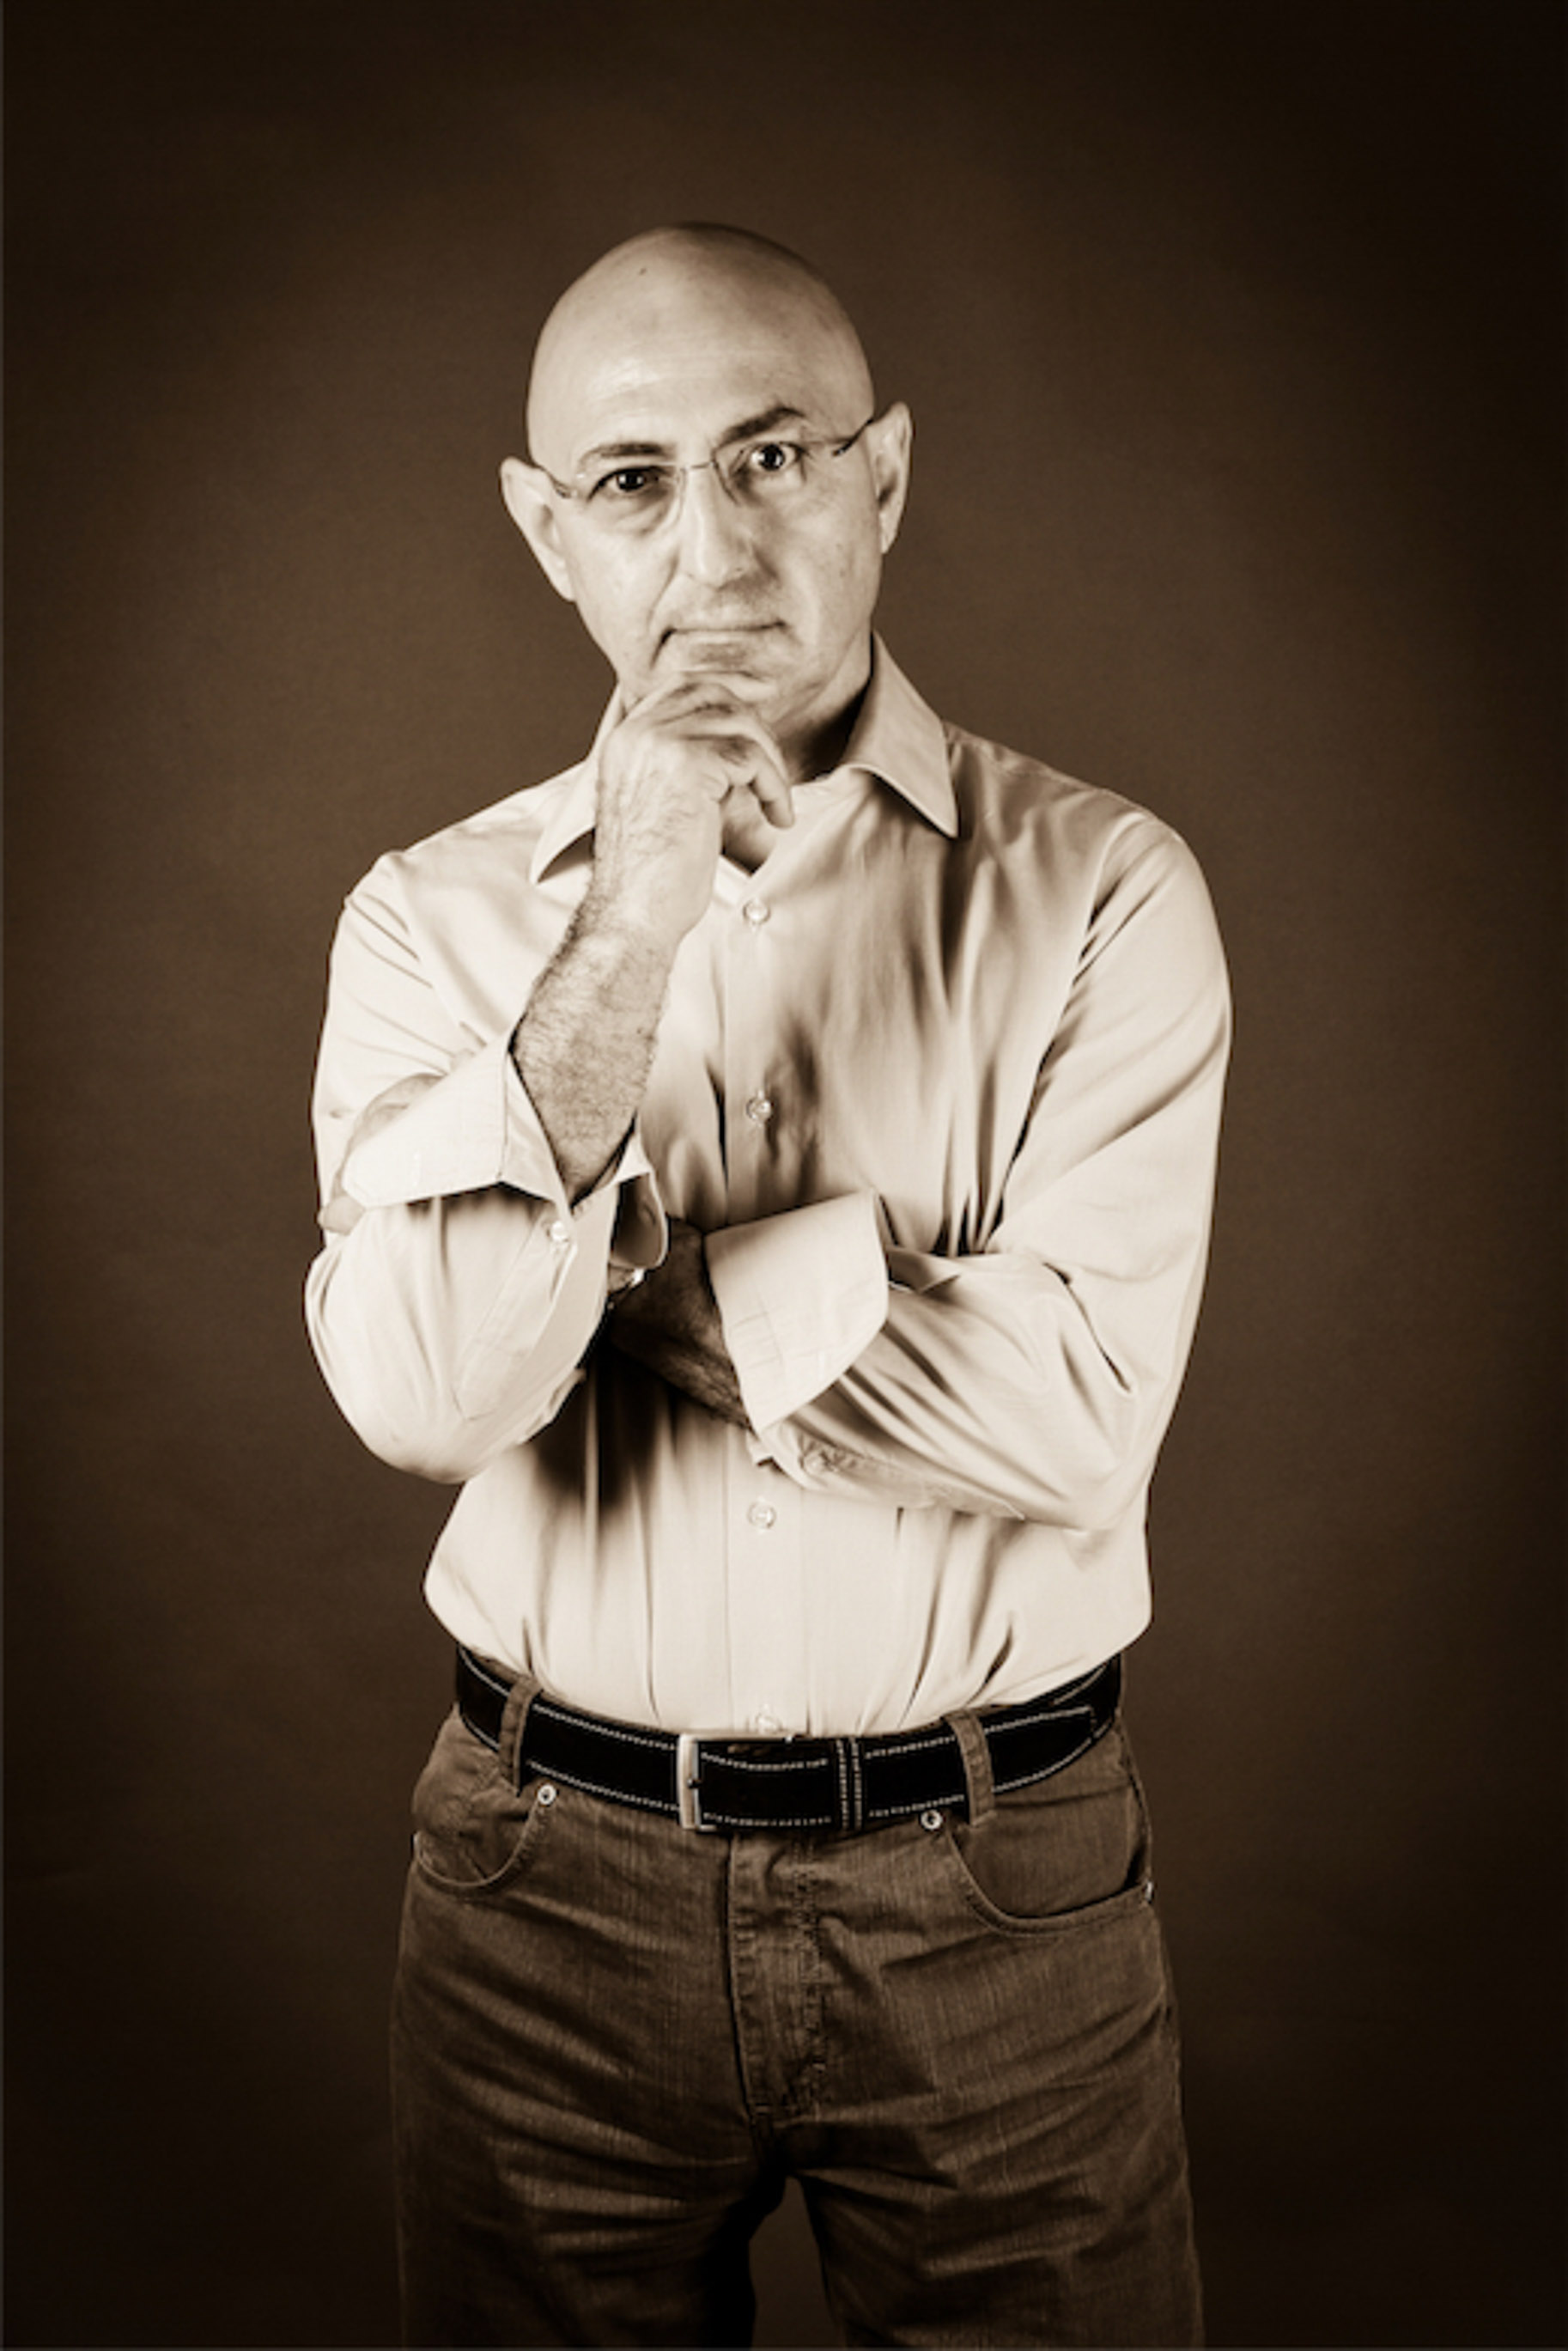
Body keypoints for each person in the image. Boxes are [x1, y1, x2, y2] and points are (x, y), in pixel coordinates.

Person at [307, 222, 1230, 2349]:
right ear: (548, 535)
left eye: (774, 455)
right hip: (538, 1893)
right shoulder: (425, 920)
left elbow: (1076, 1410)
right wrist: (632, 913)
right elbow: (432, 1396)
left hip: (997, 1889)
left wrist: (612, 1273)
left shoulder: (1103, 888)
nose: (712, 545)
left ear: (881, 479)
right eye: (632, 481)